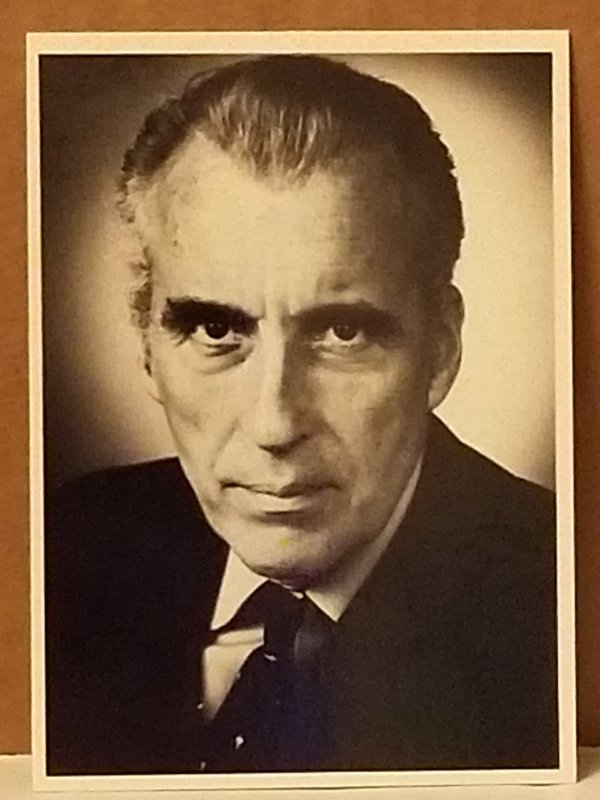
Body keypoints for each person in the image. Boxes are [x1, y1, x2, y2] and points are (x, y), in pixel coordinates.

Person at [44, 55, 558, 776]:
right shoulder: (63, 552)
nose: (274, 425)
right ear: (147, 343)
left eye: (342, 333)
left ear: (441, 349)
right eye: (217, 330)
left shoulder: (560, 601)